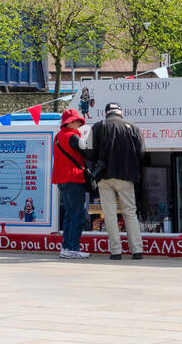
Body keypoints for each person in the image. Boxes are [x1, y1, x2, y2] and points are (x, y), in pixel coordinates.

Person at [82, 102, 146, 260]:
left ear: (106, 113)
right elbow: (142, 153)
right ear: (121, 113)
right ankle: (136, 250)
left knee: (109, 215)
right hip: (126, 176)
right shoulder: (133, 127)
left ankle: (116, 251)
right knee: (129, 212)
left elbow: (89, 153)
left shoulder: (97, 127)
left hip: (104, 177)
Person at [52, 108, 90, 260]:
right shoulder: (73, 137)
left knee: (69, 214)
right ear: (69, 122)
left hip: (61, 179)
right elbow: (87, 152)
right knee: (78, 214)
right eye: (76, 121)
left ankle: (66, 248)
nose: (79, 123)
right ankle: (73, 248)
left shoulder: (58, 137)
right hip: (74, 178)